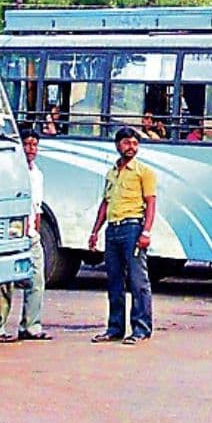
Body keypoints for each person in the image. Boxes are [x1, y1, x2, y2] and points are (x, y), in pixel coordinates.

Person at [89, 126, 156, 344]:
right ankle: (114, 328)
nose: (131, 147)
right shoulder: (112, 173)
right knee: (114, 281)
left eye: (135, 143)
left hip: (132, 228)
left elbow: (151, 203)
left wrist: (146, 231)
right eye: (127, 143)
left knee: (138, 281)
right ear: (118, 145)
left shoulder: (144, 172)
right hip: (113, 230)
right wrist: (95, 231)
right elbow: (105, 203)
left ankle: (141, 329)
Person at [0, 128, 50, 342]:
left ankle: (31, 325)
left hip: (31, 236)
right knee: (6, 283)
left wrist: (36, 233)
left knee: (37, 281)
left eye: (34, 145)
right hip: (12, 236)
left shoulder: (37, 174)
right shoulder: (10, 172)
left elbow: (37, 208)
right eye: (27, 144)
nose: (31, 149)